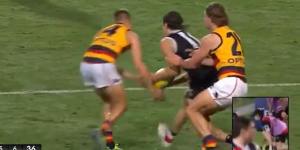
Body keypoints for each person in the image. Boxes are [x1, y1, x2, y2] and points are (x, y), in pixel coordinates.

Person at [166, 3, 248, 149]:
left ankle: (208, 142)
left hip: (228, 84)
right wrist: (202, 58)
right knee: (200, 114)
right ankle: (235, 144)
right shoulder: (233, 34)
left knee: (191, 109)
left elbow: (192, 65)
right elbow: (216, 61)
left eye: (205, 16)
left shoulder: (210, 38)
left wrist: (178, 60)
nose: (203, 19)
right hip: (240, 85)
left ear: (210, 18)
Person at [80, 9, 156, 150]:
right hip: (103, 66)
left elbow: (109, 62)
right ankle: (104, 128)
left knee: (108, 101)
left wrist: (134, 77)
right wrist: (151, 87)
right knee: (121, 105)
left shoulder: (102, 31)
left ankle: (109, 143)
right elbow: (138, 63)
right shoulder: (130, 34)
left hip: (86, 65)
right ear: (128, 21)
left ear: (116, 21)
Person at [151, 11, 220, 147]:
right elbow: (191, 71)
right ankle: (170, 137)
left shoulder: (167, 41)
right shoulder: (192, 38)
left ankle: (221, 141)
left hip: (201, 81)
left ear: (165, 25)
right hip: (212, 76)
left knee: (197, 116)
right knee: (188, 106)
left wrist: (153, 80)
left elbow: (174, 68)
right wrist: (171, 84)